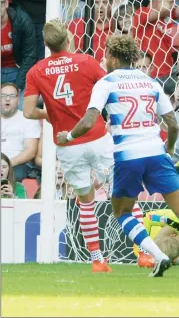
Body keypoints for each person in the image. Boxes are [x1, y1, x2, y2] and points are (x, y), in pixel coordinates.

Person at [55, 35, 179, 279]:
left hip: (127, 156)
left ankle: (158, 256)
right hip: (156, 152)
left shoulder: (106, 82)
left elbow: (89, 121)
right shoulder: (151, 82)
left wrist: (67, 137)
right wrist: (169, 150)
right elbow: (173, 124)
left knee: (122, 212)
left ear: (111, 57)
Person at [22, 19, 113, 273]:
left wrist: (49, 115)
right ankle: (145, 254)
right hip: (97, 137)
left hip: (67, 144)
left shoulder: (36, 71)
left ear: (46, 44)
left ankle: (97, 260)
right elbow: (109, 91)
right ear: (69, 38)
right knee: (122, 191)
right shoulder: (86, 62)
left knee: (86, 201)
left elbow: (28, 111)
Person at [1, 0, 37, 99]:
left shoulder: (22, 20)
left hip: (18, 70)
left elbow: (30, 56)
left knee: (21, 110)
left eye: (0, 3)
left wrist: (18, 86)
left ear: (6, 3)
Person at [1, 83, 40, 182]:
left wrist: (7, 164)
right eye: (3, 96)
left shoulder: (28, 119)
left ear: (18, 100)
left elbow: (30, 152)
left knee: (15, 174)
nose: (7, 99)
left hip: (17, 165)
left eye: (12, 96)